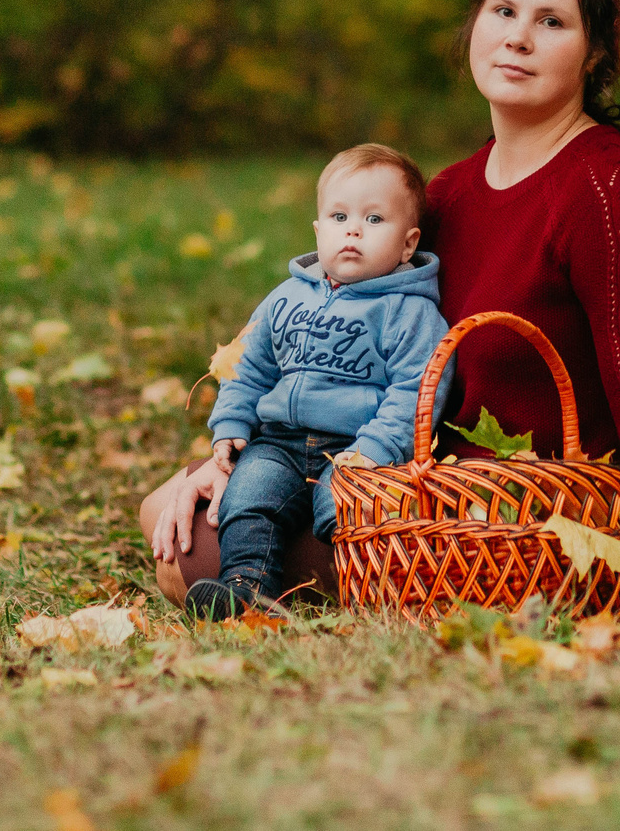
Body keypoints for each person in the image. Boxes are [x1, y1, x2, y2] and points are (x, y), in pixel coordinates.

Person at [142, 0, 620, 618]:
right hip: (415, 492)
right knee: (171, 507)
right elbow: (337, 344)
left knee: (183, 551)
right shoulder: (446, 195)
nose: (518, 38)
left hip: (527, 522)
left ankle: (286, 577)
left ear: (596, 51)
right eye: (502, 11)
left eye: (551, 21)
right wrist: (221, 464)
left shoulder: (613, 191)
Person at [183, 144, 446, 617]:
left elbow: (417, 389)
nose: (352, 229)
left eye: (373, 220)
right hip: (278, 440)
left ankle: (369, 591)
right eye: (339, 216)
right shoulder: (287, 297)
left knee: (349, 511)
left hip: (356, 448)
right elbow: (247, 366)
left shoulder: (410, 312)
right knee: (248, 499)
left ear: (408, 244)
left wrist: (375, 449)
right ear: (318, 229)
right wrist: (230, 427)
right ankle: (245, 588)